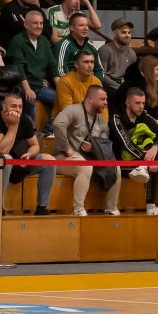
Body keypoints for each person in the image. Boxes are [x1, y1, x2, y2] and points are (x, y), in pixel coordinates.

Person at [0, 92, 56, 215]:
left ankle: (42, 207)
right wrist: (14, 125)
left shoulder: (25, 120)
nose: (17, 110)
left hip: (14, 159)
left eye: (20, 106)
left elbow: (35, 145)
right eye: (13, 106)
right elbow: (3, 150)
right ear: (4, 107)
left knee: (49, 161)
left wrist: (29, 154)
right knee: (5, 159)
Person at [53, 84, 121, 217]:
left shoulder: (101, 122)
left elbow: (104, 146)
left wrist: (94, 148)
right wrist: (67, 149)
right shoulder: (73, 110)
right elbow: (58, 124)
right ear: (90, 99)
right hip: (63, 156)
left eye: (106, 100)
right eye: (102, 99)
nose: (106, 103)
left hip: (89, 158)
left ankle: (111, 207)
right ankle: (78, 208)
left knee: (115, 167)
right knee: (85, 166)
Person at [111, 87, 158, 216]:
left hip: (141, 161)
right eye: (137, 103)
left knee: (153, 160)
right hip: (119, 162)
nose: (141, 106)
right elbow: (126, 144)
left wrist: (155, 147)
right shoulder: (117, 118)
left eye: (143, 103)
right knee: (151, 164)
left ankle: (151, 207)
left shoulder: (143, 115)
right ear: (127, 103)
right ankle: (150, 207)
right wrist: (147, 159)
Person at [4, 10, 58, 123]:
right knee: (30, 103)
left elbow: (52, 65)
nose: (39, 26)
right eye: (35, 23)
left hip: (40, 87)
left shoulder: (44, 41)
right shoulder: (17, 41)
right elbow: (19, 68)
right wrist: (27, 89)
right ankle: (29, 131)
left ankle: (48, 131)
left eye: (41, 23)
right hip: (21, 87)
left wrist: (62, 87)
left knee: (62, 98)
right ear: (26, 25)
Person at [55, 50, 103, 118]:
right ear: (76, 64)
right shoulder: (65, 81)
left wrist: (102, 122)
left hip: (91, 120)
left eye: (92, 62)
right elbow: (68, 111)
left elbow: (102, 108)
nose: (90, 66)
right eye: (86, 62)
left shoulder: (96, 81)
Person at [98, 18, 137, 91]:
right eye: (123, 32)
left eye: (129, 32)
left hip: (124, 87)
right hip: (107, 88)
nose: (127, 35)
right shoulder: (105, 50)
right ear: (114, 34)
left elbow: (132, 75)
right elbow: (101, 75)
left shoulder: (132, 54)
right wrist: (119, 87)